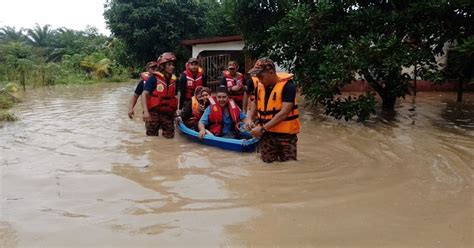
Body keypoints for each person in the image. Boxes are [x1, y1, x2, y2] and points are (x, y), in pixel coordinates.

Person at [247, 58, 300, 163]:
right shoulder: (259, 87)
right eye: (256, 76)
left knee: (290, 166)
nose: (258, 78)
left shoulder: (288, 87)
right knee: (267, 165)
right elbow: (255, 102)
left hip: (286, 136)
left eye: (261, 75)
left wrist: (262, 129)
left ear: (271, 72)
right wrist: (249, 119)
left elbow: (284, 113)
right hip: (267, 135)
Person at [141, 52, 178, 138]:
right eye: (169, 65)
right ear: (162, 66)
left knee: (169, 137)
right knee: (152, 137)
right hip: (154, 112)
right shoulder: (153, 79)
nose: (172, 67)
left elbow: (175, 97)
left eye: (173, 65)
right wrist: (146, 112)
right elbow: (144, 94)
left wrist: (176, 112)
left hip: (168, 112)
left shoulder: (175, 80)